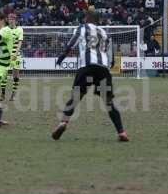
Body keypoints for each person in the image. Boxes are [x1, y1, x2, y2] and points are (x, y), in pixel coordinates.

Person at [51, 10, 128, 142]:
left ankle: (63, 123)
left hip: (87, 66)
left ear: (86, 18)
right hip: (103, 68)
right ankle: (121, 132)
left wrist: (62, 57)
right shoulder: (104, 32)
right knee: (109, 102)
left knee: (75, 98)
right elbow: (111, 53)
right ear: (98, 20)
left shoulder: (82, 28)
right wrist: (110, 65)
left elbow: (71, 43)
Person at [0, 12, 24, 101]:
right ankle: (2, 94)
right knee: (4, 75)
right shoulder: (4, 29)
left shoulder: (20, 29)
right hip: (6, 56)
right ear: (8, 20)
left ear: (15, 20)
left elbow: (20, 43)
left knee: (15, 75)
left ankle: (13, 94)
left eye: (13, 19)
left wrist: (15, 54)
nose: (11, 20)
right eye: (10, 19)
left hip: (16, 56)